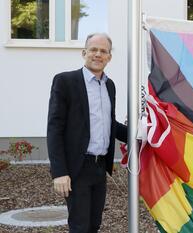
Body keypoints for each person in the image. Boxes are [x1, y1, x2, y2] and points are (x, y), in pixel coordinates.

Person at [47, 33, 127, 233]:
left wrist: (141, 136)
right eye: (93, 50)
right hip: (77, 168)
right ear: (84, 53)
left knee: (93, 225)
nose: (98, 54)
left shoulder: (109, 86)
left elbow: (110, 124)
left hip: (100, 168)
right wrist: (60, 172)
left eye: (103, 51)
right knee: (80, 226)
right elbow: (54, 128)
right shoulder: (65, 81)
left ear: (109, 56)